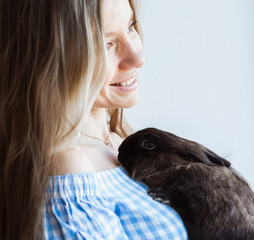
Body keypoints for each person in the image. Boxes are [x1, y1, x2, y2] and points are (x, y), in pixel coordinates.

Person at [0, 0, 188, 239]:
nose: (137, 57)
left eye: (130, 25)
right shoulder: (68, 171)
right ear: (50, 57)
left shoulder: (122, 141)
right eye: (107, 43)